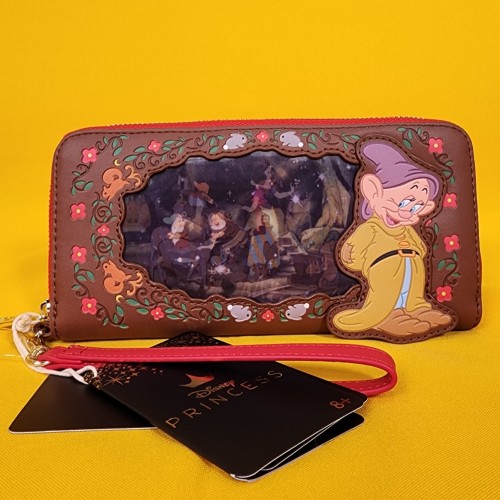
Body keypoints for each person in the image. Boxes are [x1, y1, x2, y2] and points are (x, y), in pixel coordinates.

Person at [331, 140, 453, 337]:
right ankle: (388, 317)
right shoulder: (371, 228)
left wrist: (415, 253)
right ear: (374, 192)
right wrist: (352, 255)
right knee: (386, 297)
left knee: (412, 293)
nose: (407, 211)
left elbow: (421, 248)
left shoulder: (406, 229)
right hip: (384, 269)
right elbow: (351, 253)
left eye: (416, 207)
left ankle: (417, 309)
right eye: (403, 203)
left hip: (411, 267)